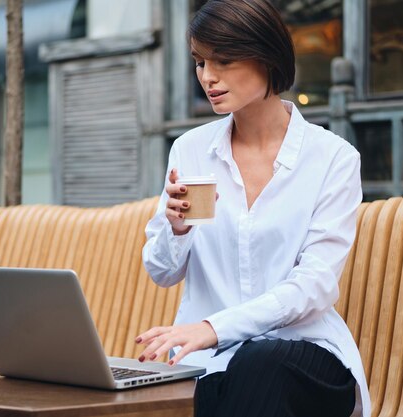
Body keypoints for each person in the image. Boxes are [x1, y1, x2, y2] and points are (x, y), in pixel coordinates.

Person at [135, 0, 370, 415]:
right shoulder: (191, 151)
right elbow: (162, 271)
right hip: (211, 366)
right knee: (221, 386)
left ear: (267, 57)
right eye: (200, 62)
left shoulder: (333, 159)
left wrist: (214, 327)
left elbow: (314, 284)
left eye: (223, 60)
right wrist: (176, 228)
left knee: (257, 364)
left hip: (304, 357)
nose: (208, 77)